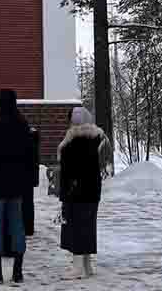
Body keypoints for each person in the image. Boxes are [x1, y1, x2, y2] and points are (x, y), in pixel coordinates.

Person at [0, 89, 34, 284]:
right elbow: (29, 155)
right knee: (16, 224)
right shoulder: (22, 124)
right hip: (16, 184)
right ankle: (17, 271)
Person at [58, 107, 108, 280]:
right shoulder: (95, 139)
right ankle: (87, 266)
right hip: (92, 191)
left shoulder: (74, 142)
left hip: (76, 192)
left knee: (76, 227)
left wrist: (65, 191)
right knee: (87, 227)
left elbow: (69, 171)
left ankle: (78, 267)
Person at [23, 127, 41, 236]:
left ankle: (27, 227)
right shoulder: (34, 147)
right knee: (29, 203)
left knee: (25, 203)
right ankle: (29, 227)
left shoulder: (27, 147)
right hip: (30, 178)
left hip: (24, 178)